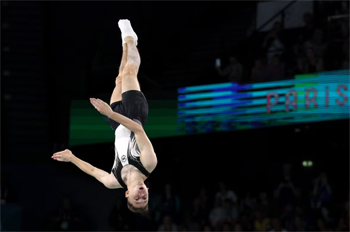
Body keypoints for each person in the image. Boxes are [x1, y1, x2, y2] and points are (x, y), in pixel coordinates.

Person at [51, 19, 158, 214]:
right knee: (129, 73)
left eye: (138, 199)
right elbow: (137, 130)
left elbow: (93, 171)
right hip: (135, 115)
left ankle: (126, 44)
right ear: (148, 192)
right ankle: (130, 39)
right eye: (145, 198)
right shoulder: (149, 163)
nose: (142, 195)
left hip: (116, 123)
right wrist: (110, 113)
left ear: (127, 194)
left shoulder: (113, 181)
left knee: (119, 78)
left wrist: (72, 157)